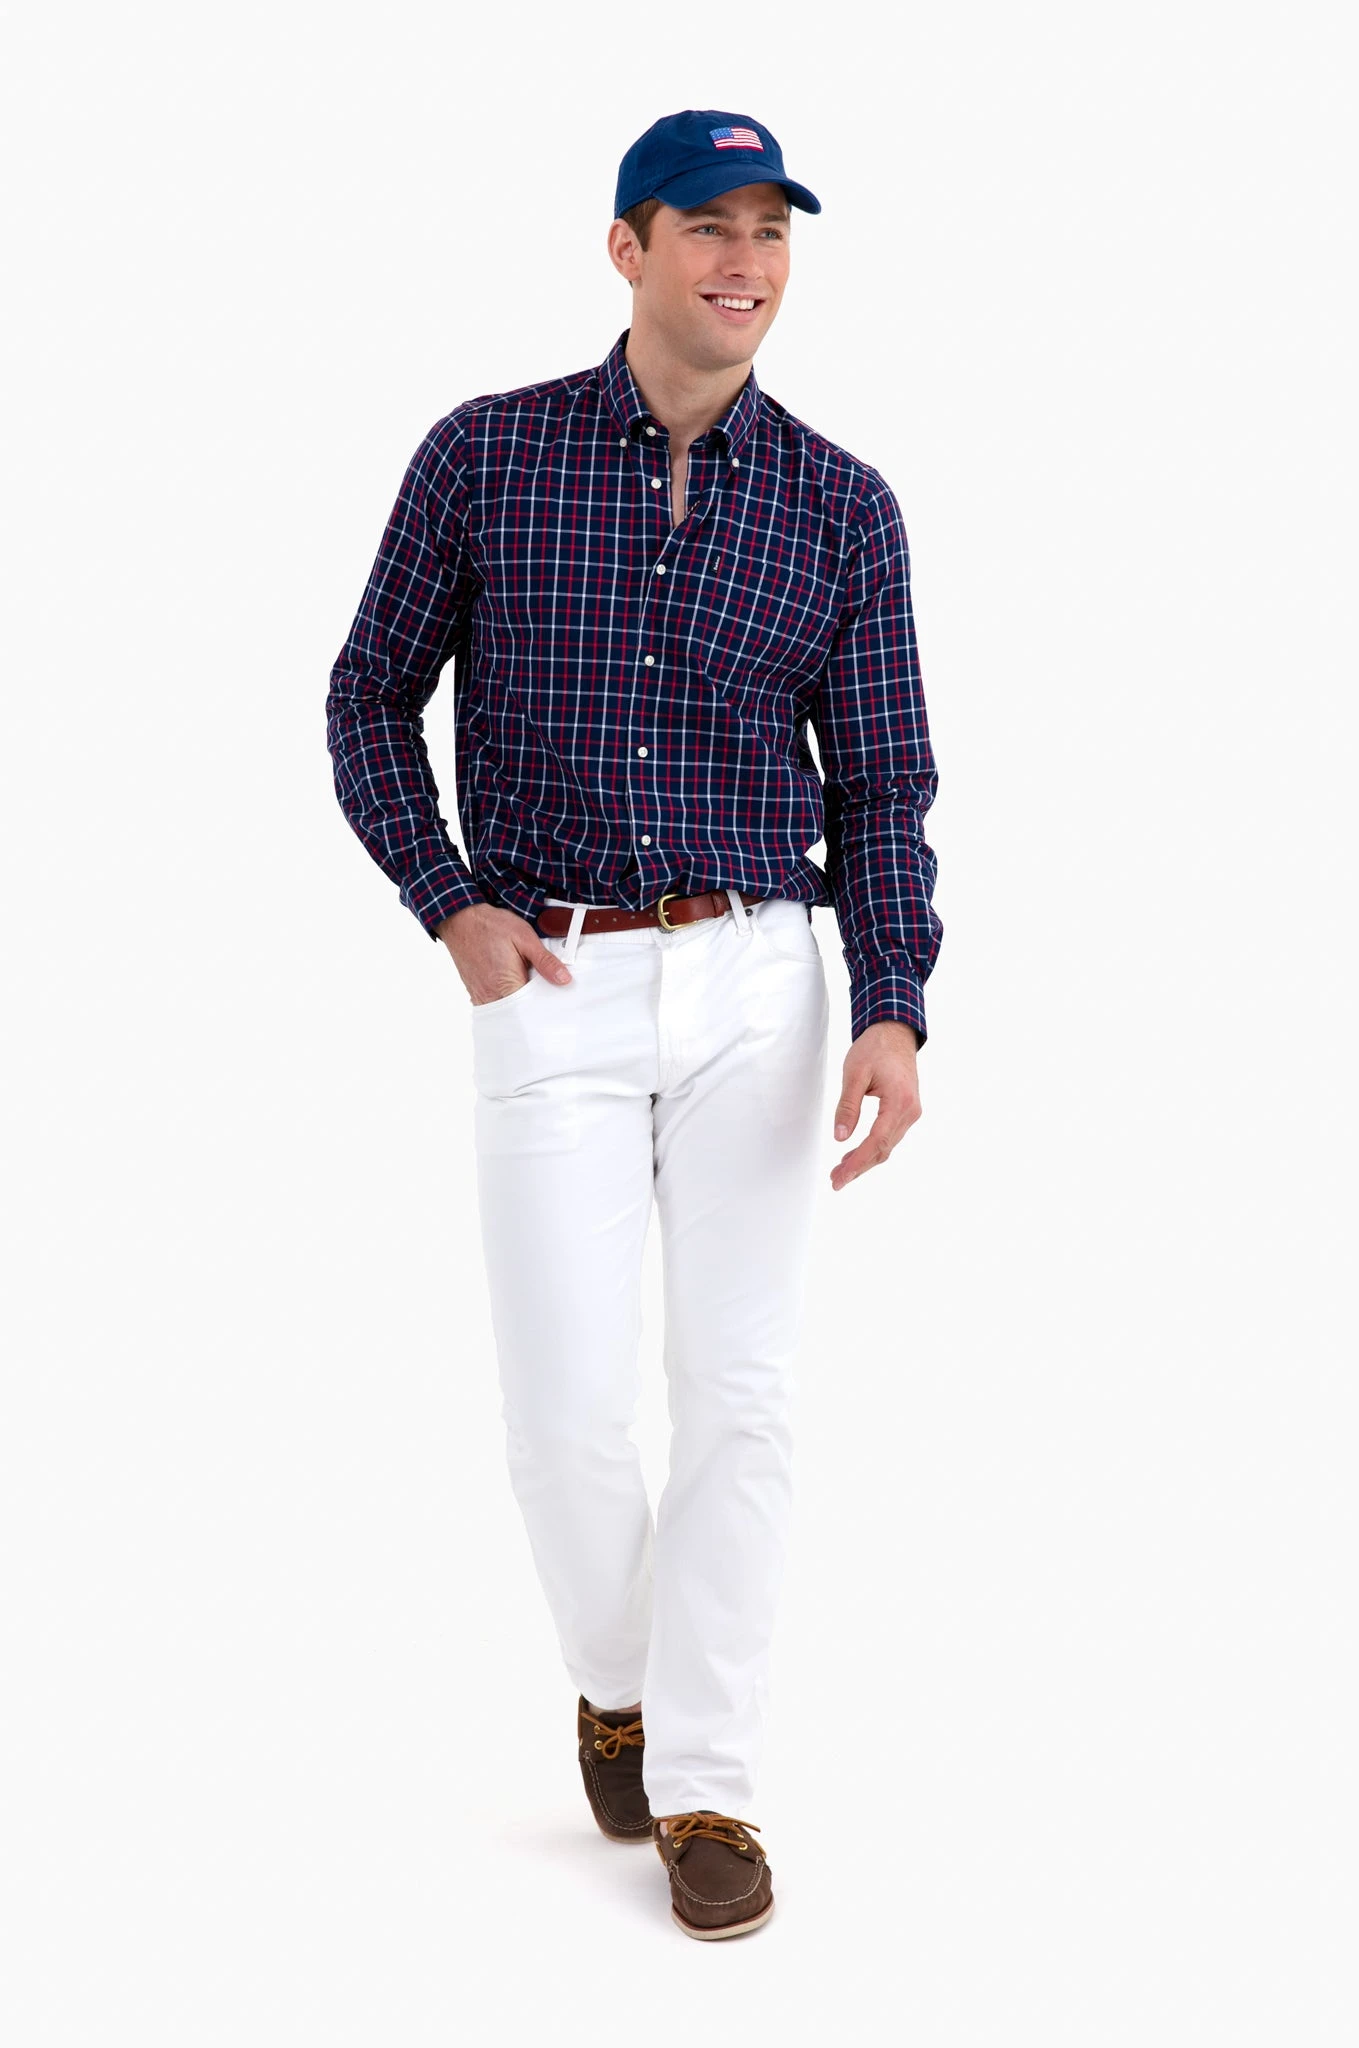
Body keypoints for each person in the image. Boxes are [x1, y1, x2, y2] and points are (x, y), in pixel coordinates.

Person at [325, 107, 943, 1940]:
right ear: (629, 247)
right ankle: (621, 1683)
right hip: (555, 974)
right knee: (566, 1414)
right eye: (709, 227)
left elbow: (884, 783)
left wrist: (892, 1006)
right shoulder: (487, 455)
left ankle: (710, 1782)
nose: (746, 264)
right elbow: (367, 695)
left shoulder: (842, 503)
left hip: (760, 979)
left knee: (743, 1396)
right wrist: (451, 903)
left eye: (771, 232)